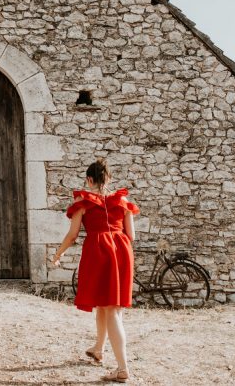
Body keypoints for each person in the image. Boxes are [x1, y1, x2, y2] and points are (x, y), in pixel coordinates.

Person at [51, 158, 139, 382]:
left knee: (111, 310)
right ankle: (99, 348)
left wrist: (58, 253)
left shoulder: (83, 201)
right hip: (122, 250)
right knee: (106, 303)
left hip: (99, 251)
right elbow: (132, 236)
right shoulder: (122, 200)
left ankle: (122, 368)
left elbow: (72, 235)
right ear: (108, 178)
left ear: (89, 179)